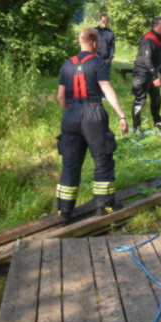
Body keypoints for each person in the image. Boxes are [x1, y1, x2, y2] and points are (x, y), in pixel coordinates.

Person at [55, 28, 129, 219]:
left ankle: (65, 210)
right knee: (102, 159)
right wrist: (121, 115)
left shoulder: (66, 65)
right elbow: (107, 89)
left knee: (70, 163)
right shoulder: (99, 63)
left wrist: (71, 111)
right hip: (93, 114)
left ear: (80, 42)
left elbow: (61, 97)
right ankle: (101, 207)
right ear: (95, 43)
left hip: (70, 114)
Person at [131, 17, 161, 136]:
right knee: (140, 102)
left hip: (152, 74)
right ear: (155, 26)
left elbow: (160, 58)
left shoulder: (160, 38)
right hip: (142, 74)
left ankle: (158, 123)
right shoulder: (149, 39)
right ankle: (136, 128)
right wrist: (155, 76)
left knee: (157, 99)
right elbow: (147, 60)